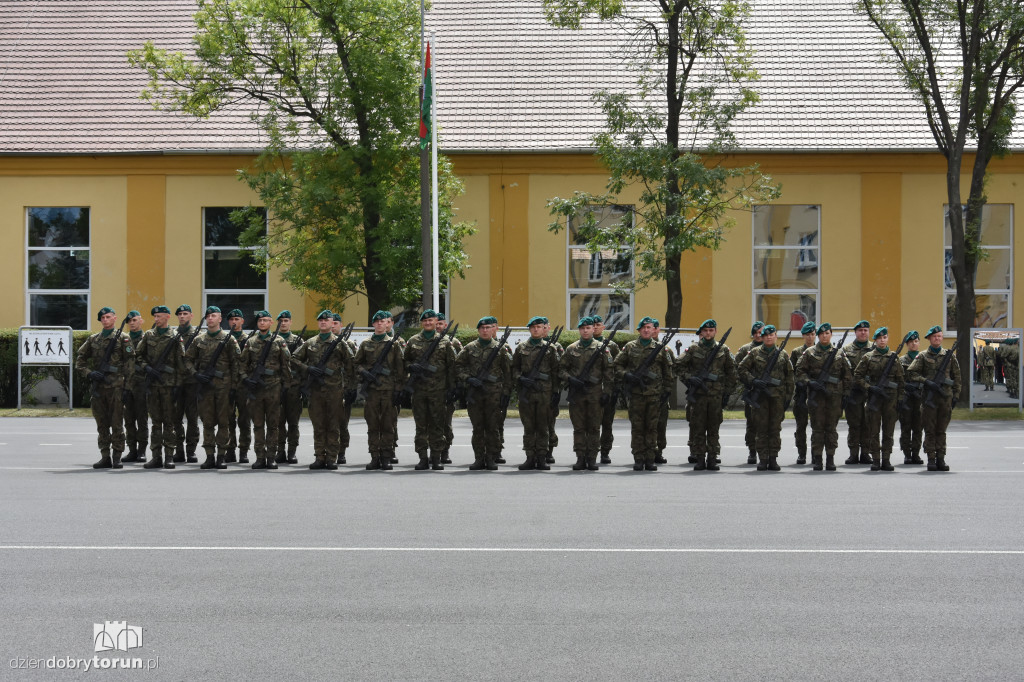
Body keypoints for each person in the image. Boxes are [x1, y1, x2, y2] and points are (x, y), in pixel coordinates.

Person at [292, 310, 354, 470]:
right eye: (320, 321)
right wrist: (308, 369)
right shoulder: (310, 343)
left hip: (335, 391)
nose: (323, 323)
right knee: (318, 425)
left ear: (333, 323)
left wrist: (349, 388)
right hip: (316, 391)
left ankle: (332, 457)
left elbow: (350, 366)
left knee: (333, 425)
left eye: (326, 320)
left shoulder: (340, 343)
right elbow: (293, 359)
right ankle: (319, 456)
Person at [613, 316, 674, 471]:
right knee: (637, 427)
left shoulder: (661, 348)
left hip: (654, 395)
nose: (647, 330)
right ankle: (638, 458)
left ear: (654, 330)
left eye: (649, 327)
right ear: (639, 330)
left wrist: (667, 391)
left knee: (652, 427)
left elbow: (668, 372)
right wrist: (627, 375)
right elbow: (617, 365)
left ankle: (650, 458)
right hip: (636, 394)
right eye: (644, 328)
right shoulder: (630, 347)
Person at [77, 307, 134, 469]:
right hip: (99, 388)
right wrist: (90, 374)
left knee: (117, 424)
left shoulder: (123, 338)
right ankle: (105, 456)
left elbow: (130, 364)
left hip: (116, 387)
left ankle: (117, 457)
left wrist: (128, 388)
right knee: (102, 424)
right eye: (102, 317)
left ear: (115, 318)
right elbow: (80, 361)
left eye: (108, 317)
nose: (105, 319)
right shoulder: (94, 339)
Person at [676, 319, 737, 471]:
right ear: (701, 332)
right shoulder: (693, 349)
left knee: (713, 428)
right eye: (705, 330)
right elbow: (678, 365)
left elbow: (732, 372)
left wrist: (727, 393)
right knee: (698, 427)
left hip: (716, 395)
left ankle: (712, 458)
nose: (708, 333)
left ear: (715, 332)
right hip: (698, 396)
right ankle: (700, 458)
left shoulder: (723, 350)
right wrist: (690, 378)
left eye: (711, 330)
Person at [184, 306, 240, 470]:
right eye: (208, 316)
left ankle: (221, 456)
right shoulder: (199, 340)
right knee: (207, 422)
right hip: (205, 387)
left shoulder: (228, 339)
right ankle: (209, 456)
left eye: (213, 316)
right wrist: (195, 374)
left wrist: (233, 388)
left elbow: (236, 364)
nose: (210, 318)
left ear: (220, 319)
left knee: (223, 422)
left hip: (223, 387)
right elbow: (187, 359)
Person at [455, 316, 511, 470]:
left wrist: (506, 394)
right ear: (478, 330)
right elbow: (458, 366)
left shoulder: (500, 349)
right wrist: (469, 379)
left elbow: (508, 373)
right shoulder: (469, 348)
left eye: (488, 328)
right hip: (475, 394)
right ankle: (479, 458)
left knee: (492, 428)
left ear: (493, 329)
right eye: (482, 328)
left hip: (494, 394)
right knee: (478, 428)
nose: (485, 331)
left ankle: (491, 458)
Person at [404, 309, 457, 470]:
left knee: (437, 425)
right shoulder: (413, 341)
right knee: (421, 426)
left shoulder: (445, 341)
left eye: (431, 320)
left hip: (438, 391)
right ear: (422, 323)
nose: (428, 323)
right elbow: (404, 361)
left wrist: (452, 389)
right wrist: (411, 366)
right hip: (419, 390)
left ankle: (436, 458)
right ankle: (422, 458)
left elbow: (452, 367)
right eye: (425, 321)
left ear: (436, 322)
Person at [795, 323, 852, 471]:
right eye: (822, 334)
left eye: (827, 333)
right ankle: (818, 459)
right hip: (817, 397)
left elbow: (847, 375)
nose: (825, 336)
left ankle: (830, 458)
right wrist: (811, 383)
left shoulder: (839, 353)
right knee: (817, 429)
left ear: (831, 334)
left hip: (834, 398)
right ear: (818, 336)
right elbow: (799, 373)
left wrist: (845, 395)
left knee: (831, 429)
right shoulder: (809, 352)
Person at [560, 316, 613, 471]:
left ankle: (592, 459)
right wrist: (571, 379)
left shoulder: (602, 348)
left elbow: (609, 371)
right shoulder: (571, 349)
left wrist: (607, 392)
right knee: (579, 428)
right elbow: (561, 369)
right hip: (577, 395)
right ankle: (580, 458)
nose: (585, 331)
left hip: (595, 393)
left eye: (588, 328)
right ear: (579, 330)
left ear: (593, 329)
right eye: (582, 328)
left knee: (594, 428)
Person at [738, 324, 795, 471]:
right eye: (766, 335)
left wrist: (788, 398)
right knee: (761, 429)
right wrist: (753, 381)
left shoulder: (783, 355)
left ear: (776, 336)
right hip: (760, 399)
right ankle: (762, 459)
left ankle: (773, 458)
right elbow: (741, 369)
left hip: (777, 398)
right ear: (762, 337)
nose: (769, 337)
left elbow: (789, 378)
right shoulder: (754, 353)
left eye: (772, 334)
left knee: (775, 429)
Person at [240, 310, 291, 470]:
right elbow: (242, 365)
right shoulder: (251, 342)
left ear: (271, 323)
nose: (262, 323)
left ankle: (271, 457)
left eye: (265, 320)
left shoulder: (279, 341)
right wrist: (247, 379)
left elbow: (286, 366)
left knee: (273, 425)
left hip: (273, 387)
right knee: (258, 425)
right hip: (256, 389)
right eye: (260, 320)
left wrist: (285, 387)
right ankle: (260, 457)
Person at [137, 305, 185, 469]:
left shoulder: (175, 336)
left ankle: (169, 456)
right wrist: (146, 368)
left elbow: (181, 363)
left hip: (169, 385)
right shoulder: (149, 335)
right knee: (156, 423)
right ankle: (156, 456)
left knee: (169, 423)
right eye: (155, 316)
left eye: (159, 316)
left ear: (167, 317)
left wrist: (178, 386)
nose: (156, 319)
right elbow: (138, 356)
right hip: (153, 385)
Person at [355, 310, 405, 470]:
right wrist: (364, 373)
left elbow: (400, 370)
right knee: (373, 425)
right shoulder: (365, 344)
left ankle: (386, 457)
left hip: (389, 390)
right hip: (371, 391)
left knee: (388, 425)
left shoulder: (394, 344)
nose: (379, 324)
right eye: (377, 322)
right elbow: (356, 364)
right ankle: (374, 456)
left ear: (388, 323)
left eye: (383, 321)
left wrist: (398, 390)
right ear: (373, 324)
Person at [907, 325, 961, 471]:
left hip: (945, 399)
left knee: (941, 430)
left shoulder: (949, 356)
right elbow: (911, 373)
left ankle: (941, 459)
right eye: (934, 336)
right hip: (929, 400)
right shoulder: (923, 356)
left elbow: (957, 378)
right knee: (930, 430)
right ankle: (931, 458)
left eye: (939, 336)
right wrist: (926, 382)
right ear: (929, 339)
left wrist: (955, 396)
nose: (937, 338)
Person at [513, 316, 561, 471]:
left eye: (539, 326)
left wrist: (555, 393)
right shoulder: (521, 347)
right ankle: (529, 457)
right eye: (533, 327)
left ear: (543, 329)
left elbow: (555, 372)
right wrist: (521, 378)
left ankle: (541, 457)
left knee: (543, 427)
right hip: (526, 394)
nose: (535, 329)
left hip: (544, 394)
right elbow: (514, 368)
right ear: (529, 329)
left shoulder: (550, 348)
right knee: (529, 427)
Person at [854, 327, 905, 471]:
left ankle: (886, 459)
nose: (882, 340)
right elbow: (857, 376)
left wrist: (900, 399)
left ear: (887, 339)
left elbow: (901, 380)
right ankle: (876, 459)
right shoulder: (868, 357)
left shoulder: (894, 358)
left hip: (891, 399)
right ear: (875, 340)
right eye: (879, 338)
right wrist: (869, 387)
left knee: (888, 431)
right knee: (873, 431)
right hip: (874, 399)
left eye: (885, 338)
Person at [840, 320, 874, 465]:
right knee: (854, 424)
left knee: (867, 424)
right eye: (860, 330)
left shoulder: (875, 348)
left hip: (869, 392)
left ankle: (866, 453)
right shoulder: (846, 350)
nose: (863, 332)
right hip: (853, 393)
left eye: (865, 330)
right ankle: (853, 454)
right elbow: (842, 371)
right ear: (855, 332)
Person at [172, 304, 201, 463]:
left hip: (192, 382)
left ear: (191, 316)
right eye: (180, 314)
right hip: (175, 382)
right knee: (176, 418)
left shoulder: (198, 336)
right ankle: (179, 450)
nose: (182, 316)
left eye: (185, 314)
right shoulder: (172, 335)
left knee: (192, 418)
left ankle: (191, 450)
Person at [275, 310, 304, 464]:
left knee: (293, 422)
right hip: (276, 386)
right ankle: (280, 451)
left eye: (286, 320)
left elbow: (304, 364)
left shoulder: (298, 341)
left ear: (290, 322)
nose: (284, 323)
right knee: (278, 421)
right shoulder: (273, 340)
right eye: (281, 320)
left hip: (294, 386)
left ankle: (291, 452)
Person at [733, 321, 764, 464]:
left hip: (766, 392)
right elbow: (736, 368)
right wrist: (748, 382)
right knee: (751, 423)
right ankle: (752, 451)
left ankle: (765, 452)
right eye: (756, 332)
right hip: (751, 392)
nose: (758, 335)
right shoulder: (746, 349)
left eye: (761, 332)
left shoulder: (771, 348)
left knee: (765, 424)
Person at [592, 315, 621, 464]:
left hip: (607, 391)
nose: (595, 327)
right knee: (591, 424)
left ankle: (605, 452)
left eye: (598, 325)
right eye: (593, 325)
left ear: (603, 327)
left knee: (607, 424)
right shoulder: (583, 344)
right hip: (591, 392)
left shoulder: (612, 346)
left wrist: (614, 391)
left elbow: (618, 367)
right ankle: (591, 452)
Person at [121, 310, 149, 463]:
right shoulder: (123, 339)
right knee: (129, 419)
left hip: (141, 383)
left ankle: (142, 451)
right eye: (129, 321)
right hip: (125, 383)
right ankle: (132, 450)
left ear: (141, 321)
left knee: (141, 418)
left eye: (135, 320)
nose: (132, 323)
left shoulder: (147, 338)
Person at [224, 309, 252, 463]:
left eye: (237, 319)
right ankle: (230, 450)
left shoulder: (249, 340)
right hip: (226, 384)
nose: (234, 322)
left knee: (244, 420)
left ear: (242, 321)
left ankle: (243, 451)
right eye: (231, 319)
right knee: (228, 419)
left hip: (243, 385)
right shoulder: (224, 339)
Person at [790, 321, 817, 464]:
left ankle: (815, 453)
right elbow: (792, 372)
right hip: (801, 394)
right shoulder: (796, 352)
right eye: (807, 335)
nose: (810, 337)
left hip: (816, 394)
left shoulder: (820, 351)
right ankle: (801, 453)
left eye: (812, 334)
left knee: (816, 426)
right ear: (803, 336)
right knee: (801, 426)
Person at [436, 313, 461, 464]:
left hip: (446, 389)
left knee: (446, 423)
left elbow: (457, 366)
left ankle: (445, 451)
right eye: (436, 324)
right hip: (429, 388)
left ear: (445, 325)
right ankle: (433, 452)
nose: (438, 326)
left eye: (441, 324)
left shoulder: (454, 343)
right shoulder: (425, 341)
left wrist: (456, 388)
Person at [898, 330, 924, 465]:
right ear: (907, 345)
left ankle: (916, 454)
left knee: (918, 428)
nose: (914, 344)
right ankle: (907, 454)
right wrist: (906, 387)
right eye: (911, 342)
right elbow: (898, 379)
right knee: (906, 427)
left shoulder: (924, 358)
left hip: (920, 398)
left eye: (916, 341)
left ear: (919, 343)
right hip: (906, 399)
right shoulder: (901, 360)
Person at [652, 319, 675, 464]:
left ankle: (658, 451)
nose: (651, 330)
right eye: (648, 327)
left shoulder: (665, 349)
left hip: (660, 394)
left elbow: (672, 369)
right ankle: (643, 452)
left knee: (660, 424)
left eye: (654, 328)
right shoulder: (633, 347)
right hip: (641, 394)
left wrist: (667, 389)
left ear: (658, 330)